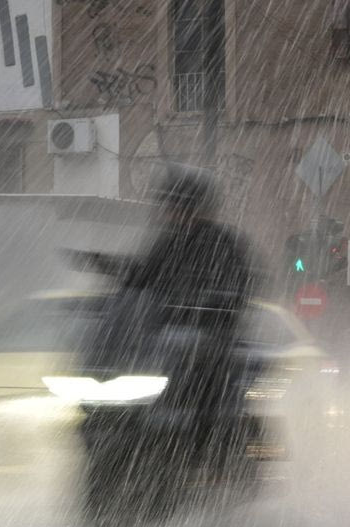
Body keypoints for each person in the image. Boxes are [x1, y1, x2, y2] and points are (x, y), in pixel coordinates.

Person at [78, 164, 262, 473]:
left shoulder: (224, 243)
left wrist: (215, 304)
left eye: (178, 204)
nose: (170, 211)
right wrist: (107, 267)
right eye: (168, 204)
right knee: (113, 374)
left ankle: (208, 451)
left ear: (196, 206)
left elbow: (242, 286)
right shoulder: (168, 242)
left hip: (209, 337)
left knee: (204, 375)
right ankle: (119, 437)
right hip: (160, 341)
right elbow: (141, 275)